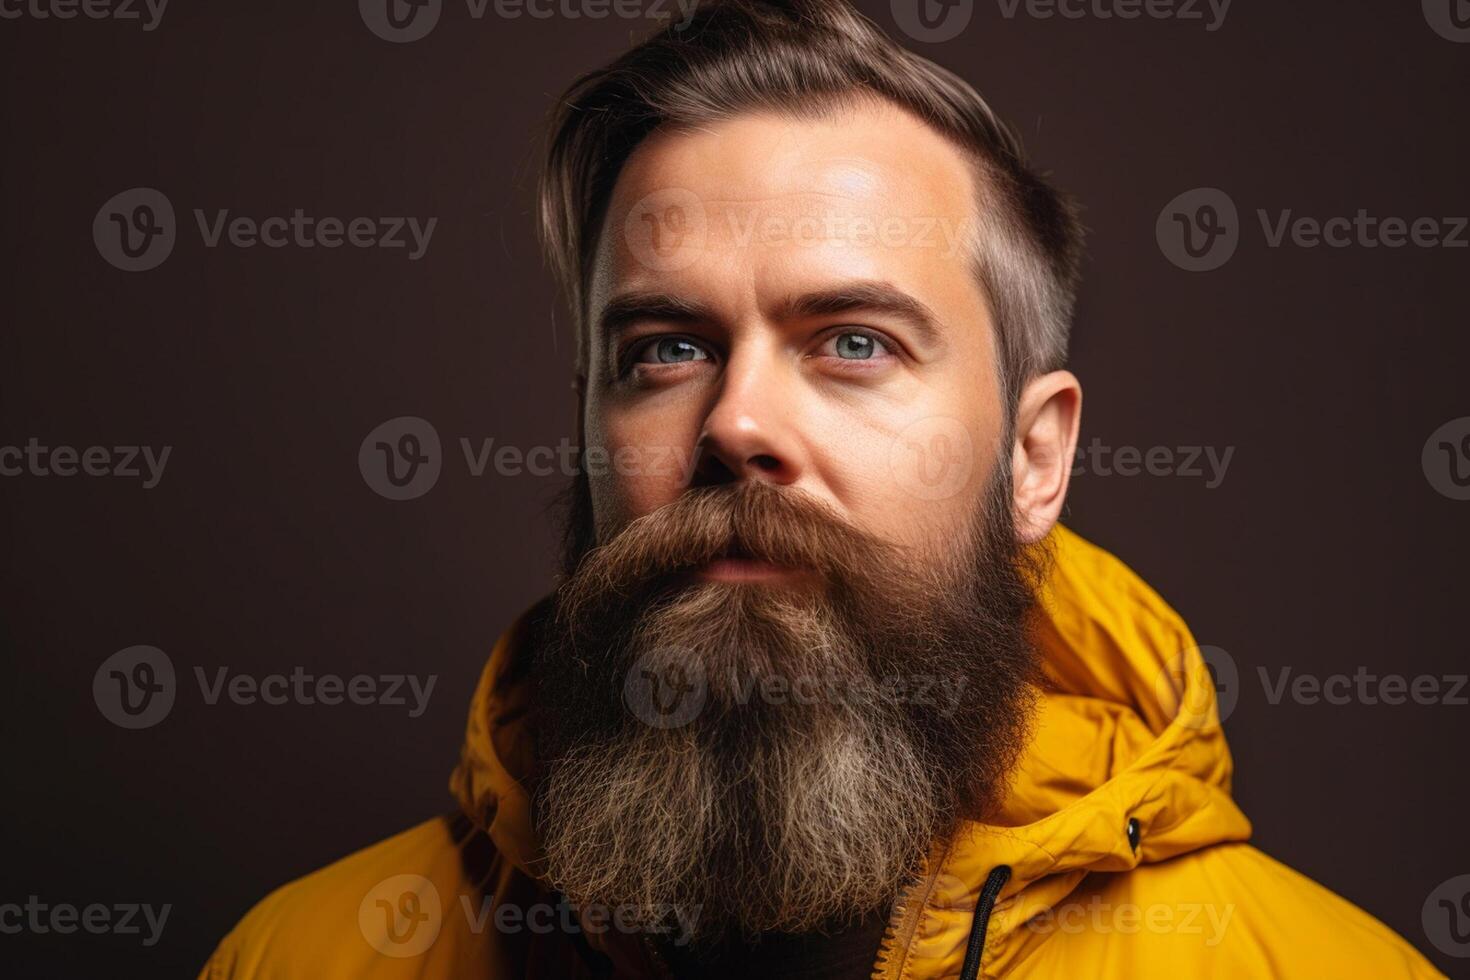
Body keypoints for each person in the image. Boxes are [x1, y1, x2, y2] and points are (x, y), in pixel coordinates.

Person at [200, 0, 1443, 975]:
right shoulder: (298, 958)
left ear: (1034, 458)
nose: (736, 422)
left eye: (853, 341)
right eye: (666, 350)